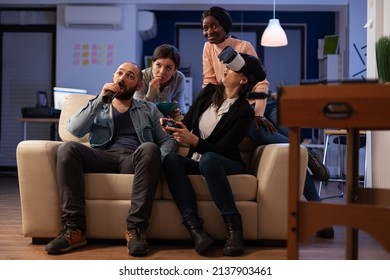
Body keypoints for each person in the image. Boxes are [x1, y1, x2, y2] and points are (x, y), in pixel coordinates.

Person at [200, 6, 333, 238]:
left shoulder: (242, 47)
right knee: (292, 153)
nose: (209, 31)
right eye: (205, 27)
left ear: (224, 27)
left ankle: (319, 211)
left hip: (263, 105)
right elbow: (210, 83)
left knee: (281, 147)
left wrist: (257, 114)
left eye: (214, 25)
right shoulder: (208, 48)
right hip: (242, 108)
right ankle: (306, 156)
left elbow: (260, 82)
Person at [44, 62, 177, 256]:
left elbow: (168, 141)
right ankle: (74, 230)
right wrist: (100, 99)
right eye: (120, 74)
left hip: (133, 160)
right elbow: (73, 130)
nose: (123, 78)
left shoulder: (148, 109)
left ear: (139, 85)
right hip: (102, 156)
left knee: (150, 148)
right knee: (68, 148)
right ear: (113, 76)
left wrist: (157, 160)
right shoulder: (99, 105)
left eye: (130, 76)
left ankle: (135, 230)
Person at [162, 53, 265, 256]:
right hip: (199, 160)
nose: (225, 69)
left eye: (231, 68)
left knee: (209, 159)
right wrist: (173, 125)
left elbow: (225, 149)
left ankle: (235, 230)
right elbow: (189, 122)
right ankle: (196, 230)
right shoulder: (209, 92)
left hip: (226, 162)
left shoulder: (244, 111)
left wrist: (193, 141)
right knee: (171, 159)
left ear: (243, 80)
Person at [134, 44, 186, 117]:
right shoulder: (142, 76)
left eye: (168, 68)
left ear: (175, 70)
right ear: (152, 64)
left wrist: (178, 111)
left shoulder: (179, 78)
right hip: (145, 117)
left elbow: (180, 107)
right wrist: (150, 95)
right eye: (158, 65)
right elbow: (136, 110)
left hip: (167, 118)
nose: (161, 71)